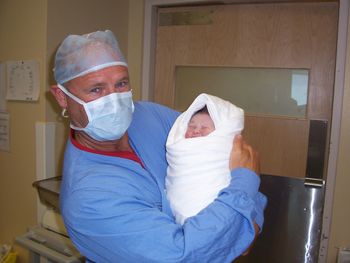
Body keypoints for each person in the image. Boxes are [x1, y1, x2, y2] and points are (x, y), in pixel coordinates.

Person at [50, 29, 267, 263]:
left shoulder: (149, 116)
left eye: (121, 83)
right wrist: (242, 208)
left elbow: (224, 150)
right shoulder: (89, 199)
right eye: (96, 89)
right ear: (62, 98)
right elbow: (184, 255)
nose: (114, 99)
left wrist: (244, 224)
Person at [166, 93, 245, 225]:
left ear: (219, 134)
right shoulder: (180, 150)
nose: (196, 131)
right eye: (191, 126)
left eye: (204, 128)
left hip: (210, 207)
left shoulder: (217, 148)